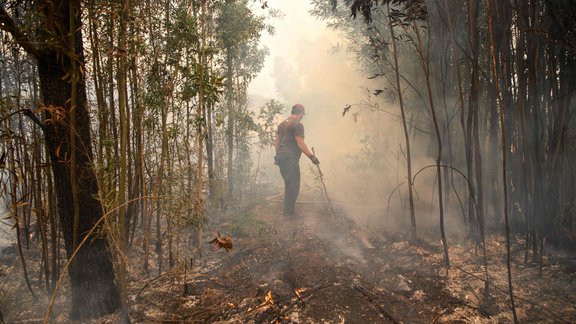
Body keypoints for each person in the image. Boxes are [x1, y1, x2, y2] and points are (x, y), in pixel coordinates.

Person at [274, 103, 320, 216]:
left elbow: (277, 142)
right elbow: (300, 143)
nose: (302, 116)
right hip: (290, 159)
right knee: (293, 186)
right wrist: (311, 156)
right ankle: (289, 214)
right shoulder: (298, 125)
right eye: (302, 114)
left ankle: (288, 211)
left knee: (289, 184)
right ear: (300, 114)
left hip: (281, 157)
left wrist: (277, 155)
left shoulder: (282, 124)